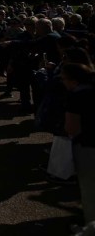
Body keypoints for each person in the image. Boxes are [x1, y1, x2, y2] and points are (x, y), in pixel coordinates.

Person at [62, 63, 95, 224]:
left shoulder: (76, 95)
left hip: (88, 145)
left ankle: (90, 226)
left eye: (64, 79)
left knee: (90, 191)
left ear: (73, 81)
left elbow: (72, 127)